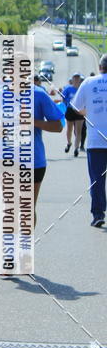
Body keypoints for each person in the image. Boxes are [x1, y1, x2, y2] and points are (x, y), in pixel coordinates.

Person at [0, 81, 63, 226]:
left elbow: (58, 126)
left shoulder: (39, 94)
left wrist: (34, 122)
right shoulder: (0, 95)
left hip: (33, 159)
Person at [72, 55, 107, 227]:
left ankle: (98, 213)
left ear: (100, 66)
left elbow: (76, 107)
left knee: (97, 179)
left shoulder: (88, 83)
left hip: (96, 140)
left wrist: (90, 112)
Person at [61, 73, 84, 156]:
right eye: (75, 78)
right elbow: (63, 98)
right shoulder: (68, 89)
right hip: (70, 110)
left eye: (78, 78)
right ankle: (69, 143)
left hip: (79, 110)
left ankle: (76, 148)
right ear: (72, 79)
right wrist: (65, 105)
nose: (77, 80)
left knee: (78, 130)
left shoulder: (82, 88)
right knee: (69, 129)